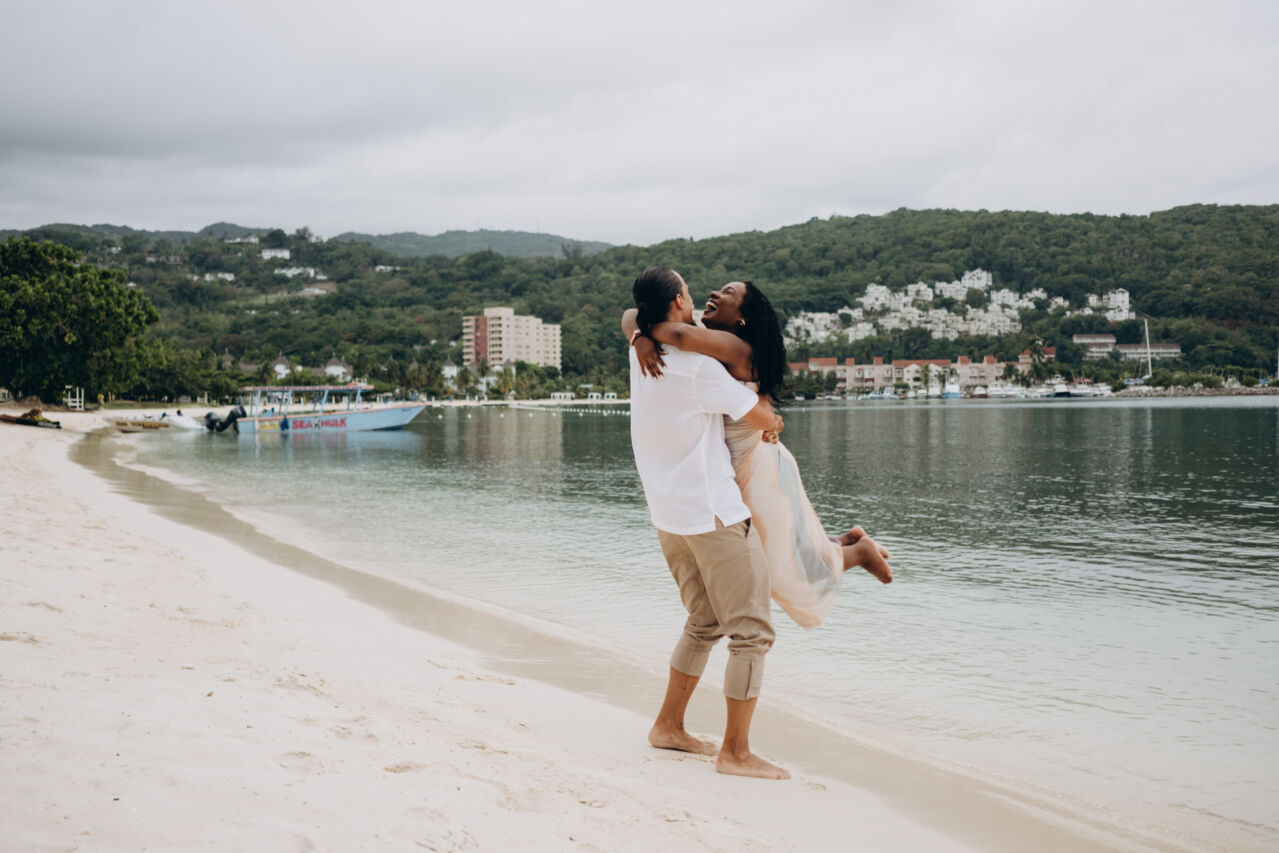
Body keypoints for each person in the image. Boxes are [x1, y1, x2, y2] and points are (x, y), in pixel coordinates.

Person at [623, 280, 892, 630]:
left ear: (742, 318)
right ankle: (847, 541)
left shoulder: (736, 348)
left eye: (728, 294)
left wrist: (643, 334)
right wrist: (638, 333)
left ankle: (857, 553)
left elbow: (675, 335)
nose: (714, 294)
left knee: (779, 565)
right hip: (741, 463)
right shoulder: (711, 340)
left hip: (753, 465)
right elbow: (630, 314)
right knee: (780, 544)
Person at [627, 266, 790, 780]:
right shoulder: (700, 369)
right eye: (691, 291)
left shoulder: (642, 353)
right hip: (712, 513)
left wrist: (637, 335)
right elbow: (759, 418)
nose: (702, 296)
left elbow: (631, 317)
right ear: (680, 302)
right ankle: (736, 753)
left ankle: (668, 726)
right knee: (752, 633)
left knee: (704, 621)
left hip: (668, 515)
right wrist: (775, 421)